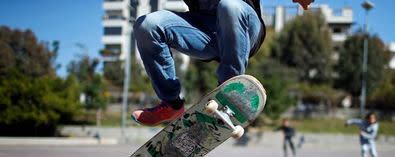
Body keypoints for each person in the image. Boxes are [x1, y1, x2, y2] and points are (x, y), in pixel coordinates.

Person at [131, 0, 315, 126]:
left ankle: (229, 96)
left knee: (230, 5)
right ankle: (171, 103)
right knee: (147, 25)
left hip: (243, 27)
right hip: (203, 33)